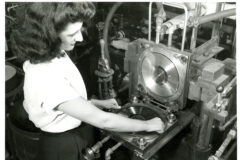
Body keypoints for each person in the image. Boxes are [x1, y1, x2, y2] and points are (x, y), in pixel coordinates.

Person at [10, 2, 165, 160]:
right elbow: (104, 121)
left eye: (80, 29)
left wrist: (96, 104)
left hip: (76, 134)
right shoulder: (45, 75)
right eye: (72, 34)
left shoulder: (52, 53)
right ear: (49, 35)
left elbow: (64, 104)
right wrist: (148, 125)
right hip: (64, 147)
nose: (80, 38)